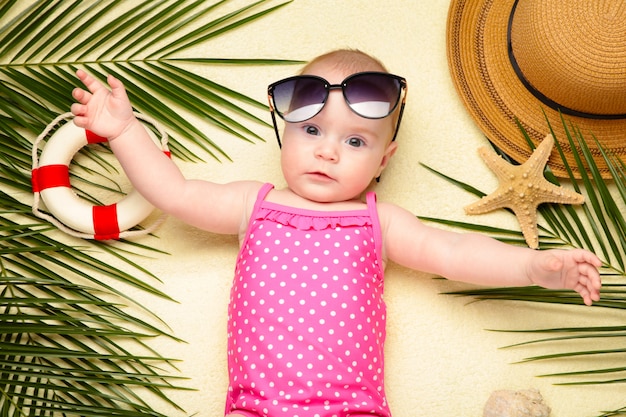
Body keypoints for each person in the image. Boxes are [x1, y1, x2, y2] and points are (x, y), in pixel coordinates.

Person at [70, 49, 602, 417]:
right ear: (284, 133)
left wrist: (532, 266)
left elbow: (454, 251)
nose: (327, 150)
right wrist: (123, 131)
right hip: (255, 405)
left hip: (353, 407)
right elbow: (174, 193)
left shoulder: (378, 221)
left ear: (383, 160)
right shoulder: (253, 204)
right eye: (312, 130)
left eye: (355, 142)